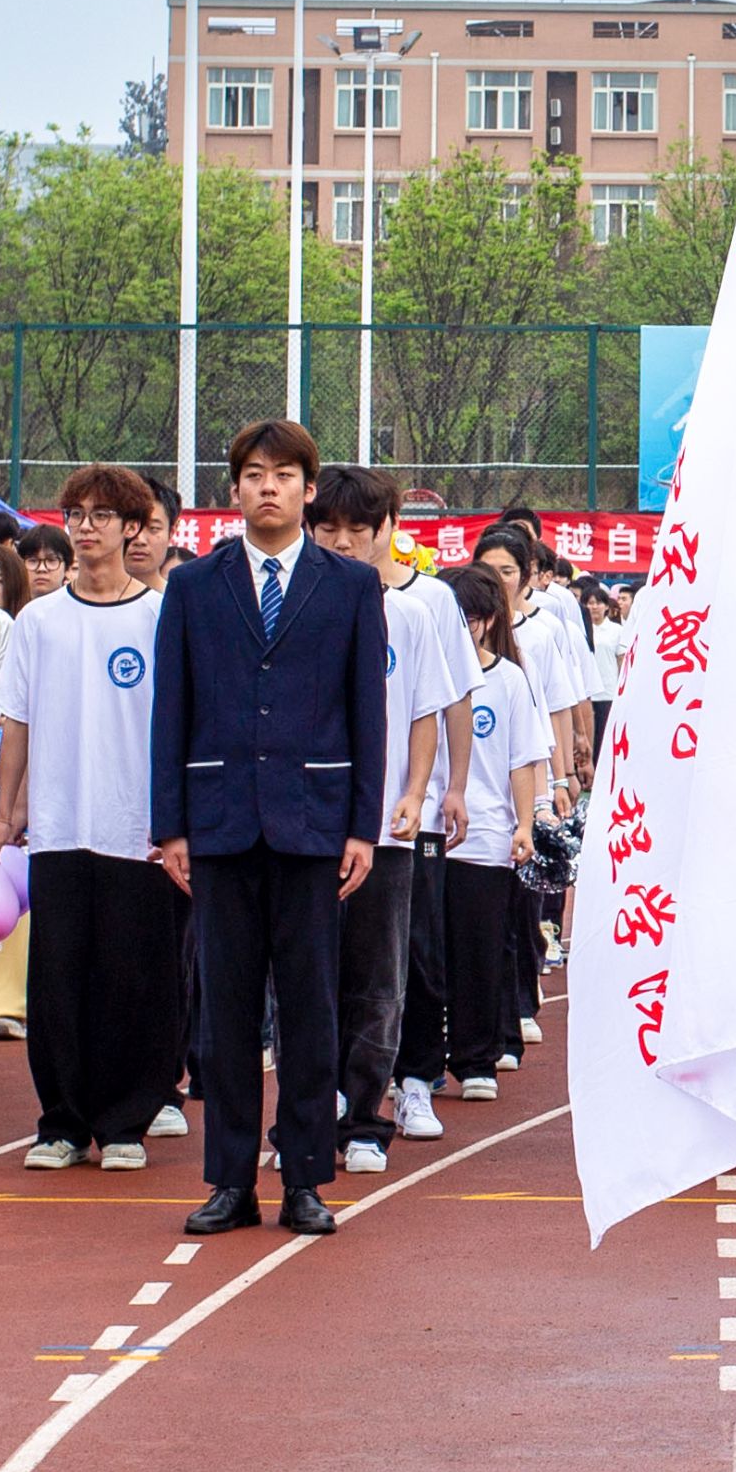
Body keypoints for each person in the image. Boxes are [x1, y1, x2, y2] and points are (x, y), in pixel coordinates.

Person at [149, 419, 385, 1238]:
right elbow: (170, 711)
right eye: (254, 474)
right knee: (224, 1015)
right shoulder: (194, 586)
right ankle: (230, 1181)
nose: (269, 487)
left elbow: (367, 712)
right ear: (235, 490)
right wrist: (170, 825)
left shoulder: (350, 587)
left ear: (308, 490)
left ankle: (306, 1179)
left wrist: (362, 827)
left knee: (311, 1011)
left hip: (315, 824)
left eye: (284, 475)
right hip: (218, 824)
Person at [0, 464, 182, 1172]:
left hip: (138, 831)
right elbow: (17, 720)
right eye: (76, 515)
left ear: (133, 528)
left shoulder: (162, 617)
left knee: (136, 979)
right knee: (59, 981)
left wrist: (176, 821)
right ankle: (61, 1123)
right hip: (59, 828)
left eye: (102, 515)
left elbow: (182, 724)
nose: (86, 527)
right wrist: (6, 811)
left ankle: (126, 1120)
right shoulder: (40, 621)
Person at [310, 471, 469, 1172]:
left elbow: (424, 713)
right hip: (305, 830)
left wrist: (415, 793)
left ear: (386, 531)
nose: (343, 542)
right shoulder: (287, 609)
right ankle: (308, 1117)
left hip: (385, 831)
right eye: (329, 528)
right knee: (306, 979)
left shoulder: (410, 615)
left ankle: (364, 1119)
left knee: (380, 982)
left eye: (358, 529)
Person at [434, 562, 550, 1103]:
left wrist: (524, 823)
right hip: (423, 835)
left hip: (484, 838)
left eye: (476, 619)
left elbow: (521, 759)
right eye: (457, 618)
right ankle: (420, 1062)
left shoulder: (508, 680)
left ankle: (476, 1058)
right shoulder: (426, 675)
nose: (467, 629)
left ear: (490, 621)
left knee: (478, 953)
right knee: (423, 956)